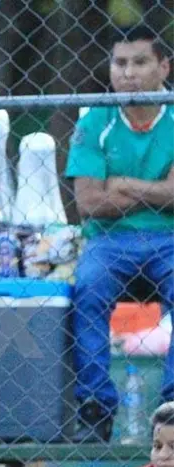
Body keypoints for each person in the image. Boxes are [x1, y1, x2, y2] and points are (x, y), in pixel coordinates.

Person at [65, 25, 174, 443]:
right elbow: (89, 203)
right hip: (110, 240)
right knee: (88, 288)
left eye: (139, 62)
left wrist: (124, 185)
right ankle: (95, 406)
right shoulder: (96, 121)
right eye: (120, 63)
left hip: (169, 238)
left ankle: (171, 404)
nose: (127, 72)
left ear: (163, 66)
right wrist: (159, 191)